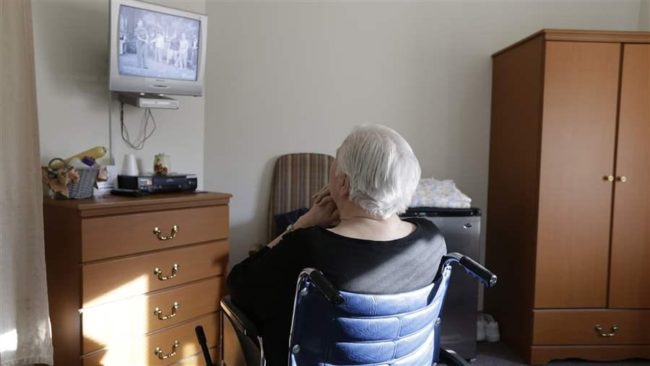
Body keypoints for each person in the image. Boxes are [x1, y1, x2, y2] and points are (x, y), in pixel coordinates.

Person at [228, 125, 446, 366]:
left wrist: (300, 225)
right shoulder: (432, 240)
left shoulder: (307, 247)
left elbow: (239, 288)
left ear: (342, 184)